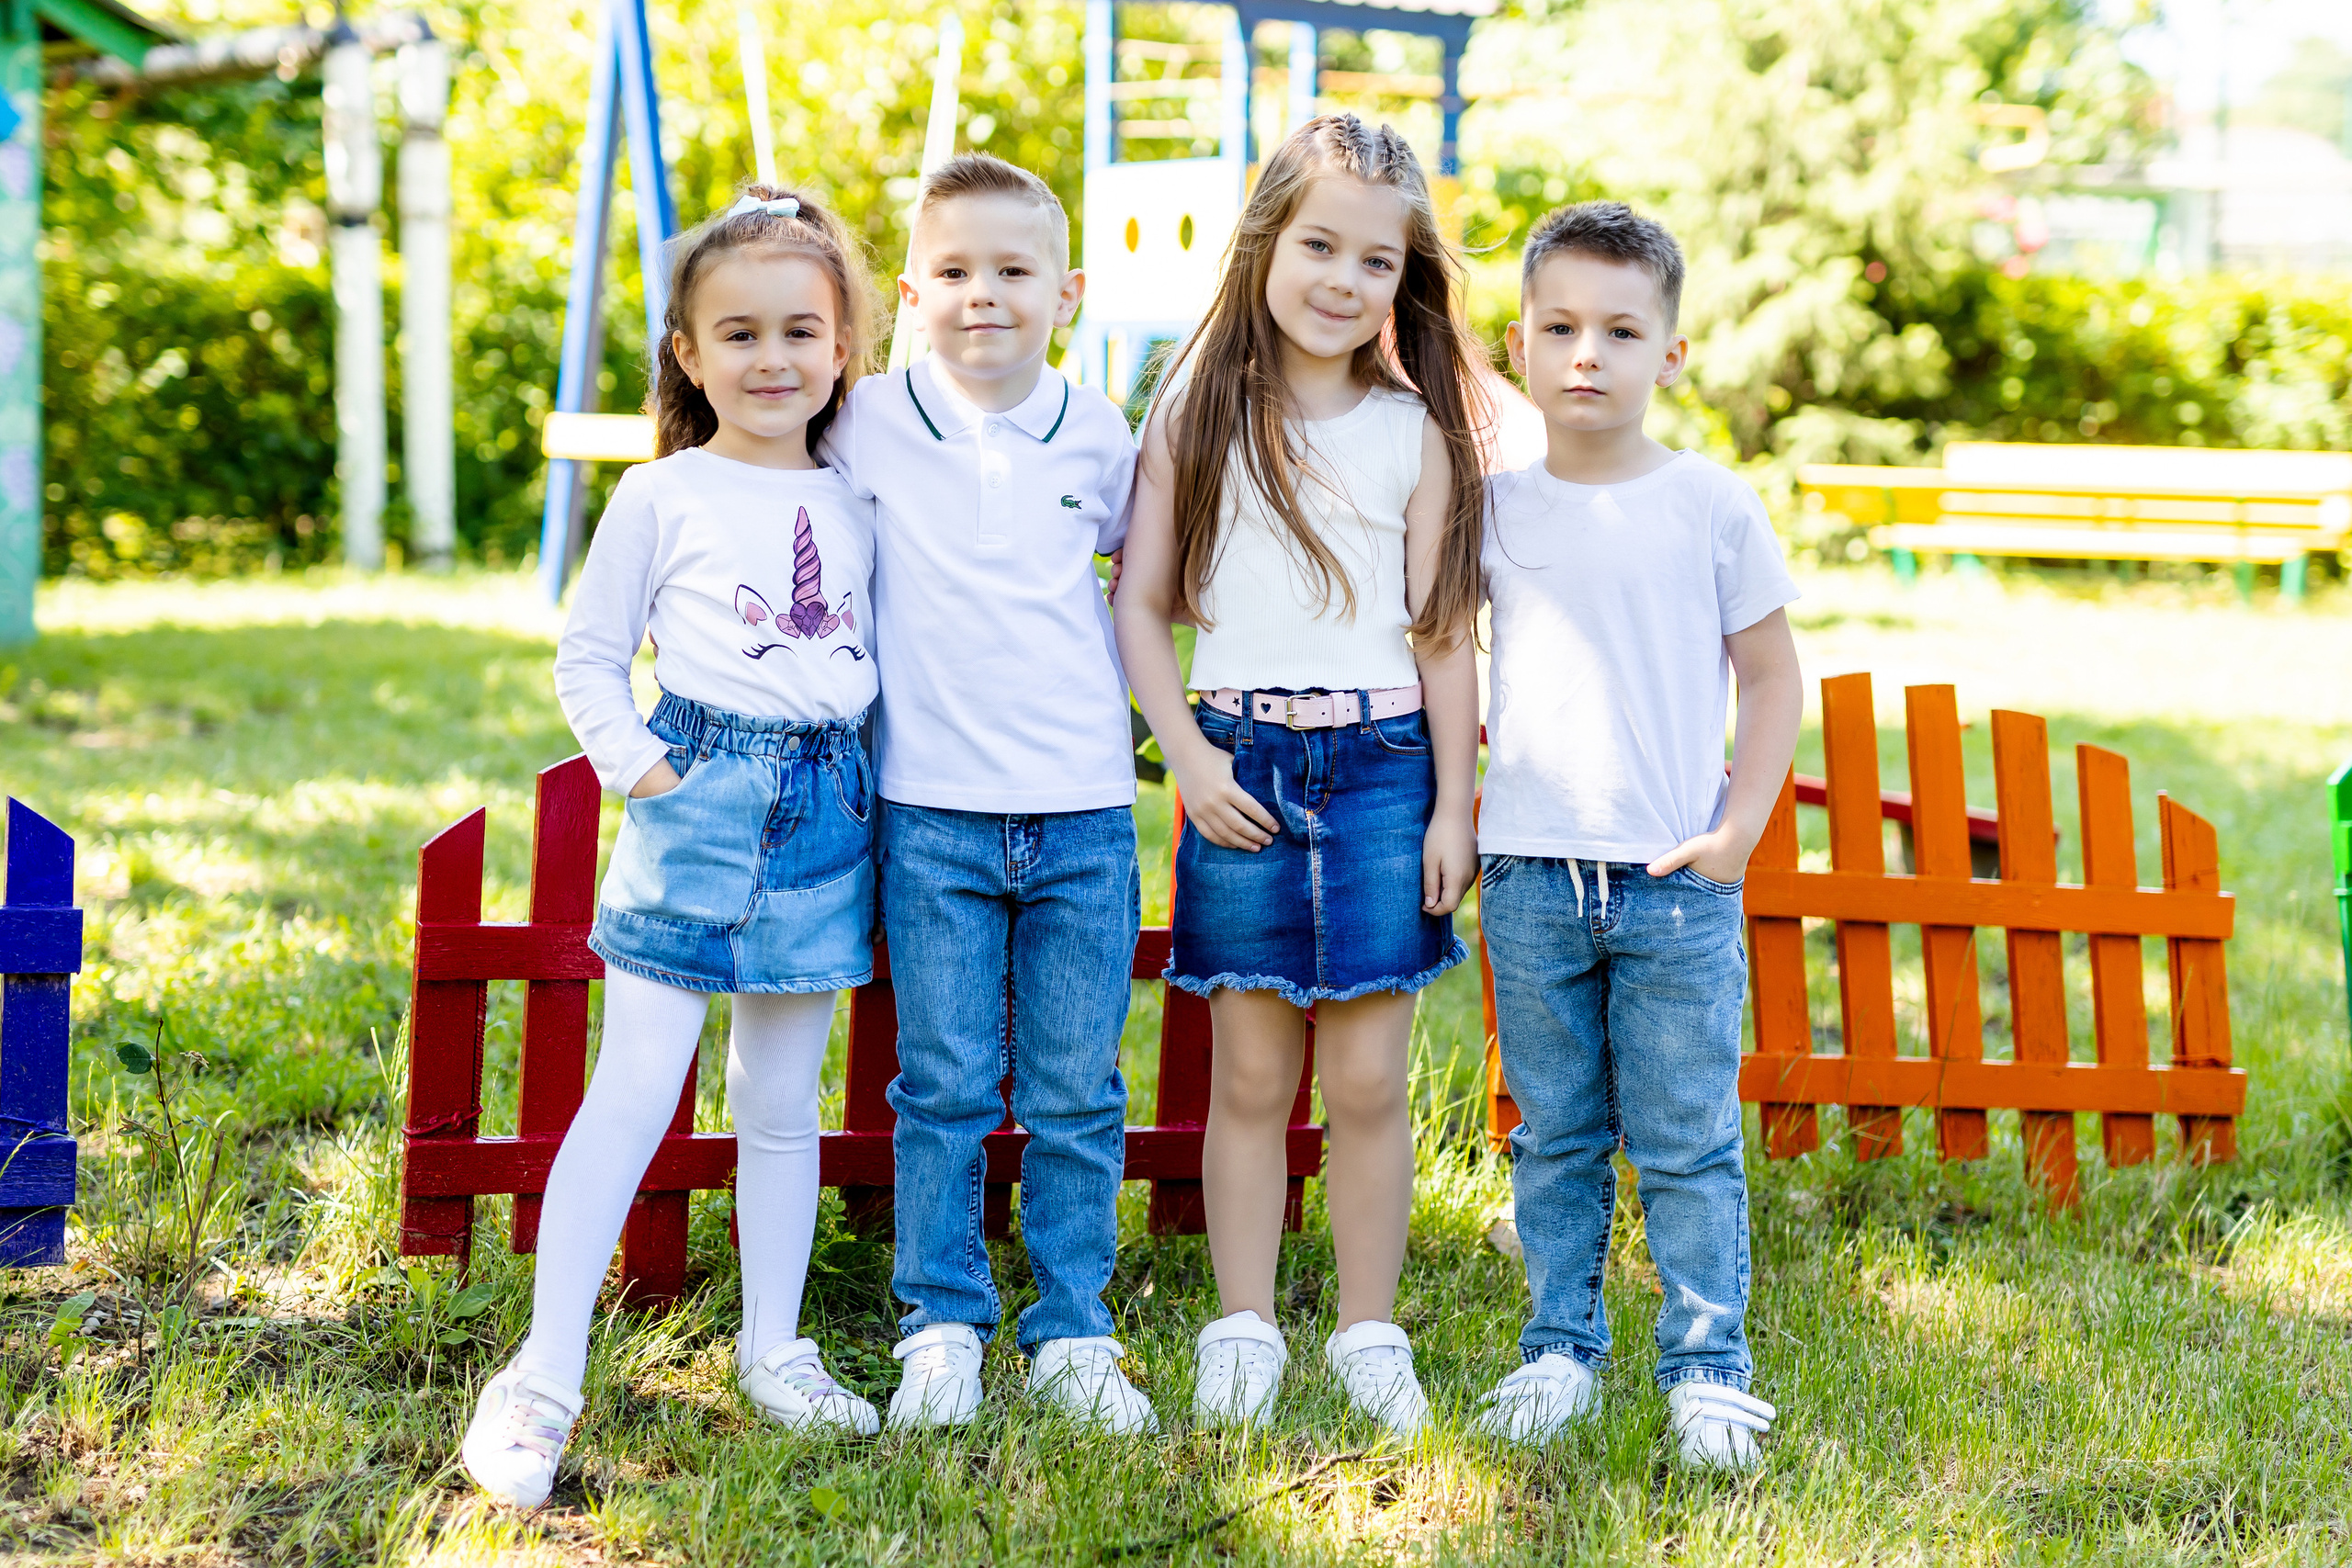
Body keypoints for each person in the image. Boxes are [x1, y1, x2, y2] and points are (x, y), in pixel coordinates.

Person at [459, 186, 886, 1508]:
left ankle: (774, 1348)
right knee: (638, 1086)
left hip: (829, 809)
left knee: (779, 1103)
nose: (774, 360)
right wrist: (645, 769)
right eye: (740, 335)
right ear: (691, 357)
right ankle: (542, 1374)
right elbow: (588, 653)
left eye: (801, 332)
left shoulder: (862, 491)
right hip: (700, 798)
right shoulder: (663, 491)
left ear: (842, 347)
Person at [1114, 115, 1487, 1438]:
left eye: (1377, 261)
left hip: (1385, 771)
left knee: (1372, 1081)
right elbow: (1144, 604)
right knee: (1253, 1078)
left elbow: (1442, 631)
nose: (1343, 279)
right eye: (1319, 244)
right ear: (1267, 239)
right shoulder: (1195, 403)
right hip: (1245, 763)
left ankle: (1371, 1333)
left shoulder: (1414, 431)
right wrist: (1190, 749)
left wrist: (1455, 803)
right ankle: (1245, 1327)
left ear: (1406, 279)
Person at [820, 153, 1154, 1434]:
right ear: (911, 291)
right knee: (945, 1080)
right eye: (954, 272)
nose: (983, 297)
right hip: (933, 809)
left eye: (1013, 273)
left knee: (1077, 1084)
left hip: (1081, 809)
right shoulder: (869, 421)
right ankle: (942, 1320)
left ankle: (1073, 1323)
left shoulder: (1101, 430)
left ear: (1066, 293)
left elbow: (1146, 578)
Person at [1470, 201, 1803, 1469]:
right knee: (1552, 1132)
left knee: (1685, 1136)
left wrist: (1737, 831)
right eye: (1560, 328)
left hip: (1674, 883)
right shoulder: (1493, 510)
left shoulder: (1708, 505)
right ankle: (1560, 1345)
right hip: (1533, 873)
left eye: (1620, 330)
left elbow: (1772, 679)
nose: (1587, 355)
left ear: (1670, 352)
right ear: (1522, 344)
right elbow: (1447, 665)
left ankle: (1709, 1366)